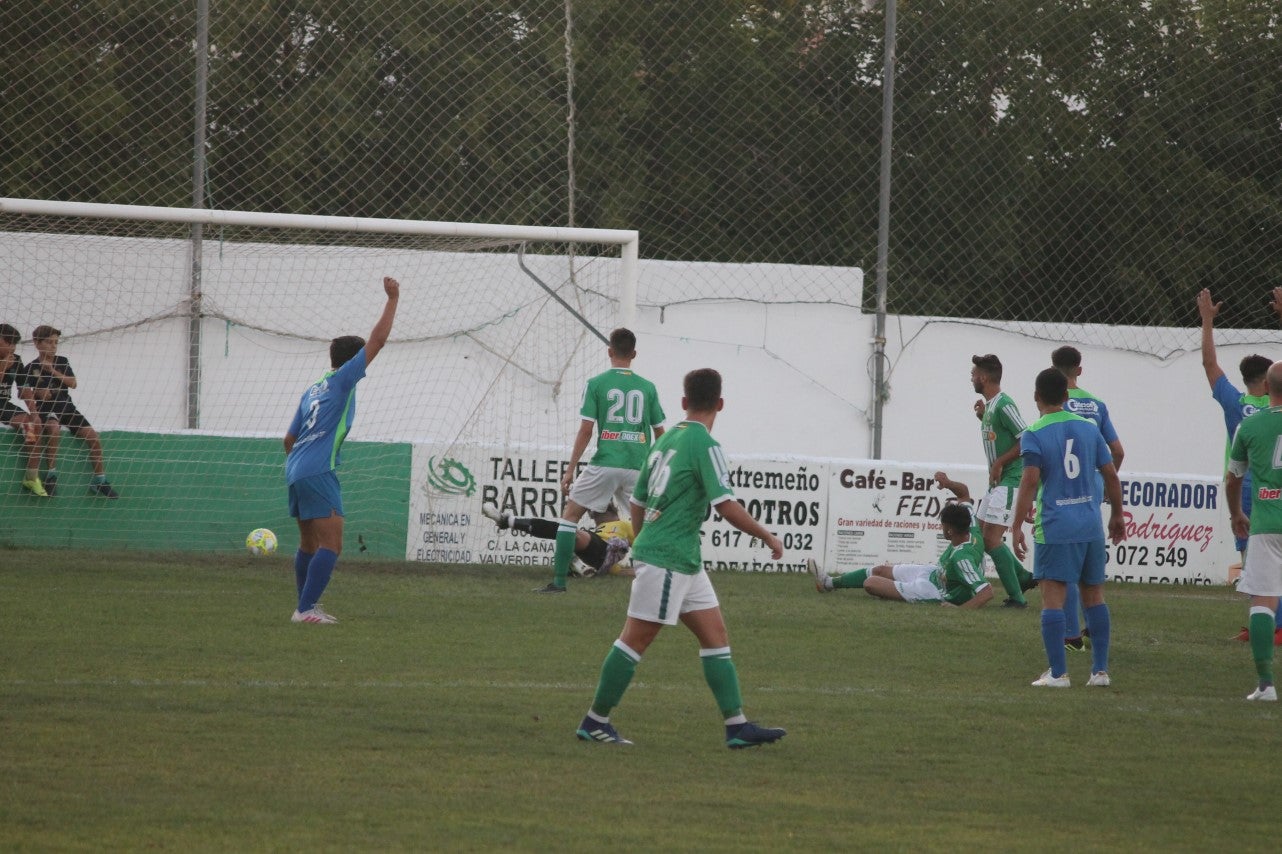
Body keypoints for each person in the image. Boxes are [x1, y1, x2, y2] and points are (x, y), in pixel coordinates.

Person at [575, 368, 786, 748]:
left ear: (684, 402)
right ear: (720, 404)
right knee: (635, 639)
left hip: (682, 558)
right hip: (669, 558)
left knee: (715, 636)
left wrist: (641, 542)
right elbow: (725, 505)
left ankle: (737, 726)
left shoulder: (664, 440)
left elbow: (636, 502)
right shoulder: (705, 445)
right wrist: (766, 534)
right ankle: (594, 721)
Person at [283, 276, 399, 624]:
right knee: (332, 545)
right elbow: (378, 340)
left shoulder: (313, 389)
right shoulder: (344, 380)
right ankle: (305, 610)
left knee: (308, 544)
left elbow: (288, 440)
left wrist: (301, 466)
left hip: (296, 469)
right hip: (318, 470)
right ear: (351, 363)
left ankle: (306, 607)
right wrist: (393, 299)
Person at [1011, 368, 1126, 688]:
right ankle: (1100, 671)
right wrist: (1117, 514)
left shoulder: (1034, 433)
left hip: (1056, 526)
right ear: (1066, 397)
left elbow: (1030, 481)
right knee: (1095, 597)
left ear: (1036, 397)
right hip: (1090, 525)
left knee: (1052, 599)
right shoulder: (1089, 429)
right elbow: (1111, 475)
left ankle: (1059, 674)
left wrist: (1017, 523)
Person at [538, 327, 665, 593]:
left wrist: (570, 469)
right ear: (634, 354)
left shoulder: (596, 384)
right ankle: (654, 584)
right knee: (648, 525)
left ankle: (559, 582)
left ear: (609, 351)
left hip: (605, 462)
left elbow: (586, 430)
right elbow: (660, 433)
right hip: (637, 466)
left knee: (569, 518)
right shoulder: (648, 388)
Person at [1198, 288, 1282, 643]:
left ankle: (1261, 623)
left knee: (1254, 561)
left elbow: (1209, 365)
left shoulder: (1235, 404)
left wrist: (1207, 322)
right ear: (1268, 380)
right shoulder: (1276, 405)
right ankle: (1273, 626)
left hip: (1244, 486)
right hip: (1276, 484)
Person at [807, 472, 992, 609]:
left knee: (870, 583)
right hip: (933, 572)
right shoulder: (972, 529)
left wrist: (959, 610)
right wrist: (948, 483)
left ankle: (899, 592)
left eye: (942, 525)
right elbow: (964, 492)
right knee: (879, 570)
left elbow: (986, 592)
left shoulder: (962, 558)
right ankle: (828, 583)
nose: (941, 528)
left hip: (934, 591)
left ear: (950, 530)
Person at [1051, 345, 1126, 652]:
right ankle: (1095, 627)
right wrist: (1106, 484)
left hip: (1062, 491)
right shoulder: (1097, 405)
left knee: (1063, 568)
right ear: (1079, 370)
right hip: (1092, 490)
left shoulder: (1055, 404)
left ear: (1053, 371)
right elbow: (1118, 452)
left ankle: (1070, 636)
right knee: (1090, 572)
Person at [1226, 360, 1282, 701]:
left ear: (1265, 388)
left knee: (1262, 601)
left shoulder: (1249, 425)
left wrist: (1236, 513)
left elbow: (1233, 478)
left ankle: (1266, 685)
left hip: (1267, 525)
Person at [970, 354, 1037, 606]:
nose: (972, 378)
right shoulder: (991, 406)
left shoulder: (1004, 404)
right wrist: (982, 417)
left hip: (1011, 478)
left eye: (974, 374)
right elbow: (1001, 434)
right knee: (979, 534)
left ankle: (1017, 598)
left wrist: (999, 463)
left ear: (984, 377)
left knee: (990, 539)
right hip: (998, 482)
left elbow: (1026, 438)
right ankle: (1022, 576)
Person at [23, 325, 119, 498]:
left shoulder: (62, 361)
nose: (53, 346)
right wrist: (37, 392)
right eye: (49, 342)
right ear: (37, 344)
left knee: (93, 437)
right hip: (47, 409)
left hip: (67, 407)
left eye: (56, 343)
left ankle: (100, 480)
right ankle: (51, 475)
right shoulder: (30, 368)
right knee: (53, 429)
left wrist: (52, 370)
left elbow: (73, 383)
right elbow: (24, 391)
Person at [481, 500, 634, 577]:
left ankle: (507, 521)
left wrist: (646, 571)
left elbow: (641, 545)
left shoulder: (624, 525)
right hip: (598, 557)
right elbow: (614, 570)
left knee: (567, 532)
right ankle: (574, 563)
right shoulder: (600, 531)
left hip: (603, 553)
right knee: (566, 533)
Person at [0, 323, 46, 496]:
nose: (12, 347)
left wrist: (34, 414)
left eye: (14, 344)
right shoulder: (6, 361)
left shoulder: (16, 360)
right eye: (9, 343)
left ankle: (31, 477)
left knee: (31, 426)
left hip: (2, 405)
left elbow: (24, 389)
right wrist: (3, 367)